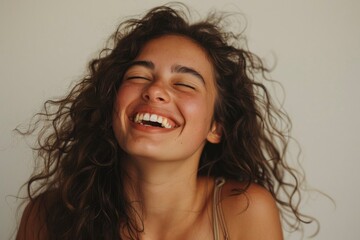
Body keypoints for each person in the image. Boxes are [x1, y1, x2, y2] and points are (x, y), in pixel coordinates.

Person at [16, 3, 314, 240]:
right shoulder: (48, 216)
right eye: (138, 76)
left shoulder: (245, 211)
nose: (155, 90)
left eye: (184, 83)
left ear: (216, 127)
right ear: (111, 104)